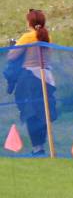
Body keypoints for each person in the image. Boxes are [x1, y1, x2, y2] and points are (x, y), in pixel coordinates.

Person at [4, 10, 57, 156]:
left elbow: (12, 56)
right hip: (47, 77)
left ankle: (37, 147)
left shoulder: (28, 37)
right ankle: (43, 145)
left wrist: (13, 46)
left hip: (31, 78)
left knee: (31, 113)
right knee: (43, 111)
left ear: (29, 23)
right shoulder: (47, 37)